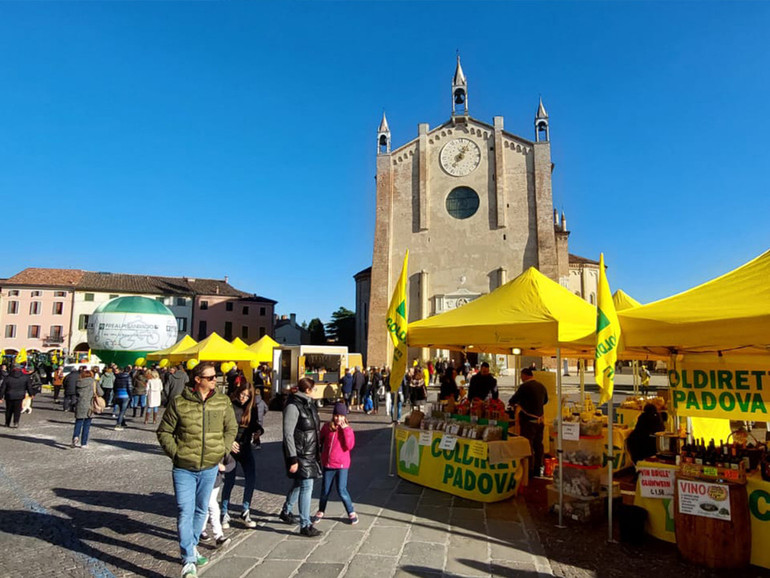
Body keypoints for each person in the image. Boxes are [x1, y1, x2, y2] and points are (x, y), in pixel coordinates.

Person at [157, 362, 237, 578]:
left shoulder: (222, 401)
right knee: (185, 509)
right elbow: (164, 431)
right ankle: (188, 558)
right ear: (198, 379)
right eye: (210, 377)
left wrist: (222, 447)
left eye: (215, 377)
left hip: (210, 467)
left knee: (201, 509)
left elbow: (231, 428)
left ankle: (191, 546)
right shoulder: (179, 403)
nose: (215, 380)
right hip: (184, 468)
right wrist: (177, 453)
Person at [278, 377, 322, 537]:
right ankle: (305, 524)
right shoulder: (293, 406)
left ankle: (286, 511)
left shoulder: (309, 404)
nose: (315, 392)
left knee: (299, 483)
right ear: (308, 390)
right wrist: (292, 458)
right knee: (307, 486)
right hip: (300, 453)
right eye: (314, 389)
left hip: (310, 452)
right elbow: (288, 433)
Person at [220, 382, 262, 530]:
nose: (243, 398)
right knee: (229, 480)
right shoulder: (229, 405)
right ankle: (224, 512)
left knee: (251, 477)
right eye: (242, 394)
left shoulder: (252, 408)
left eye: (246, 396)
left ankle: (245, 510)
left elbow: (254, 424)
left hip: (245, 447)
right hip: (231, 447)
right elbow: (221, 426)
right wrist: (229, 442)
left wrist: (258, 431)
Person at [313, 402, 358, 525]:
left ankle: (351, 511)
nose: (338, 418)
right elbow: (320, 440)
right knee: (325, 490)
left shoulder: (348, 429)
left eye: (341, 416)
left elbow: (349, 446)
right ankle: (321, 510)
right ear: (333, 416)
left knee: (341, 490)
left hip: (342, 465)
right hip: (328, 464)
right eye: (336, 415)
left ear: (345, 417)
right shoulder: (327, 427)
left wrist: (345, 431)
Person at [508, 368, 548, 477]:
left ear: (525, 375)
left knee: (527, 445)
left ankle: (528, 470)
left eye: (521, 376)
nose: (521, 378)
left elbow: (512, 401)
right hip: (540, 420)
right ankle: (538, 467)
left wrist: (520, 405)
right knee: (538, 445)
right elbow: (545, 401)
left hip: (528, 421)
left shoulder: (524, 387)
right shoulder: (541, 386)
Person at [199, 454, 234, 549]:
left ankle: (201, 530)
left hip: (215, 482)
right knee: (211, 506)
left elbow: (232, 462)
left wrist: (224, 467)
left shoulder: (221, 447)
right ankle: (218, 536)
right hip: (202, 479)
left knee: (207, 505)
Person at [72, 369, 103, 448]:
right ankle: (83, 443)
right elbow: (101, 393)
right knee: (87, 425)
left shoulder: (78, 382)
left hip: (80, 404)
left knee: (78, 422)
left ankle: (75, 436)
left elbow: (75, 393)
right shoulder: (94, 382)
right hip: (90, 405)